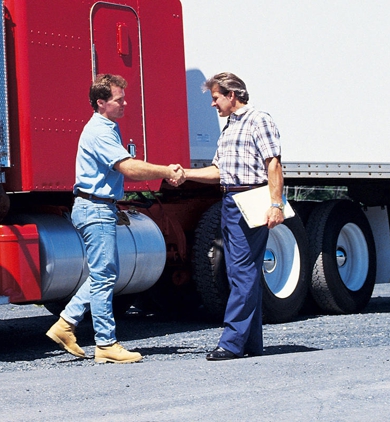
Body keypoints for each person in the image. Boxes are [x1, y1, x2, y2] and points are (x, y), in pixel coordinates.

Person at [46, 74, 184, 363]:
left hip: (98, 206)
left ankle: (65, 324)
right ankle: (106, 344)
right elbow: (128, 168)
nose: (124, 103)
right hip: (94, 208)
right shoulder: (100, 131)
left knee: (103, 274)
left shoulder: (108, 127)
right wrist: (166, 171)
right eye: (119, 99)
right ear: (101, 102)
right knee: (105, 275)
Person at [182, 72, 284, 360]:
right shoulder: (229, 129)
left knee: (241, 272)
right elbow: (219, 171)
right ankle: (250, 342)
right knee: (240, 272)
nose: (213, 104)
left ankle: (231, 342)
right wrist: (185, 174)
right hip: (229, 200)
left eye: (216, 98)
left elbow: (273, 163)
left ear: (231, 95)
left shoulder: (258, 120)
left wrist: (275, 204)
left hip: (250, 198)